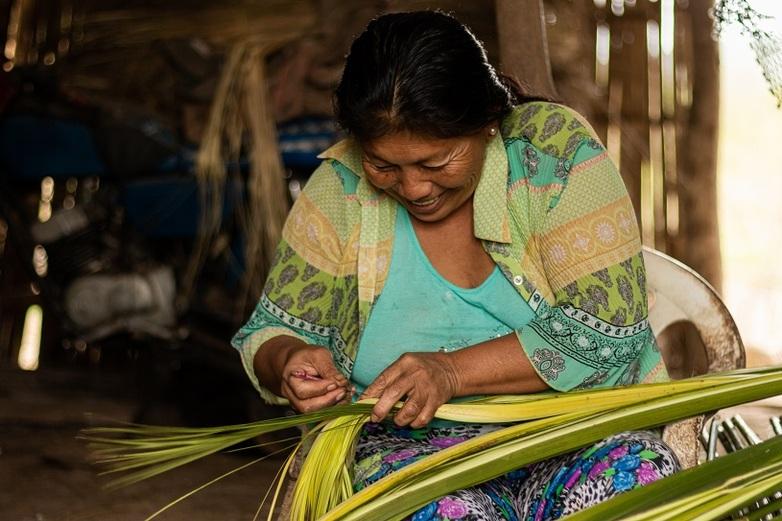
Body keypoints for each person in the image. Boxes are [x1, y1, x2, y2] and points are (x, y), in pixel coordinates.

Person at [233, 10, 678, 520]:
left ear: (488, 121)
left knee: (634, 477)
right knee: (444, 513)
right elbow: (270, 332)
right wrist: (288, 361)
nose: (414, 188)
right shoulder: (340, 191)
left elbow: (610, 331)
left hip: (566, 433)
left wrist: (449, 371)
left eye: (436, 162)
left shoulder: (551, 154)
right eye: (384, 165)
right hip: (403, 452)